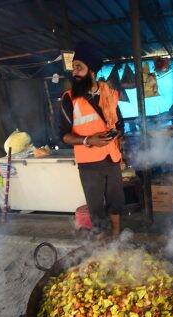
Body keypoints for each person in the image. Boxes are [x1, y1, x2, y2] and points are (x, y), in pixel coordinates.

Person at [59, 42, 125, 236]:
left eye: (79, 67)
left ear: (92, 71)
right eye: (74, 68)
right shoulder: (68, 99)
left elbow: (119, 125)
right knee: (96, 206)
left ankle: (116, 236)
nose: (75, 72)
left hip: (112, 158)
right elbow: (63, 136)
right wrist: (88, 140)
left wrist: (115, 135)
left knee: (116, 200)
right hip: (89, 164)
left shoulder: (110, 95)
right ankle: (102, 242)